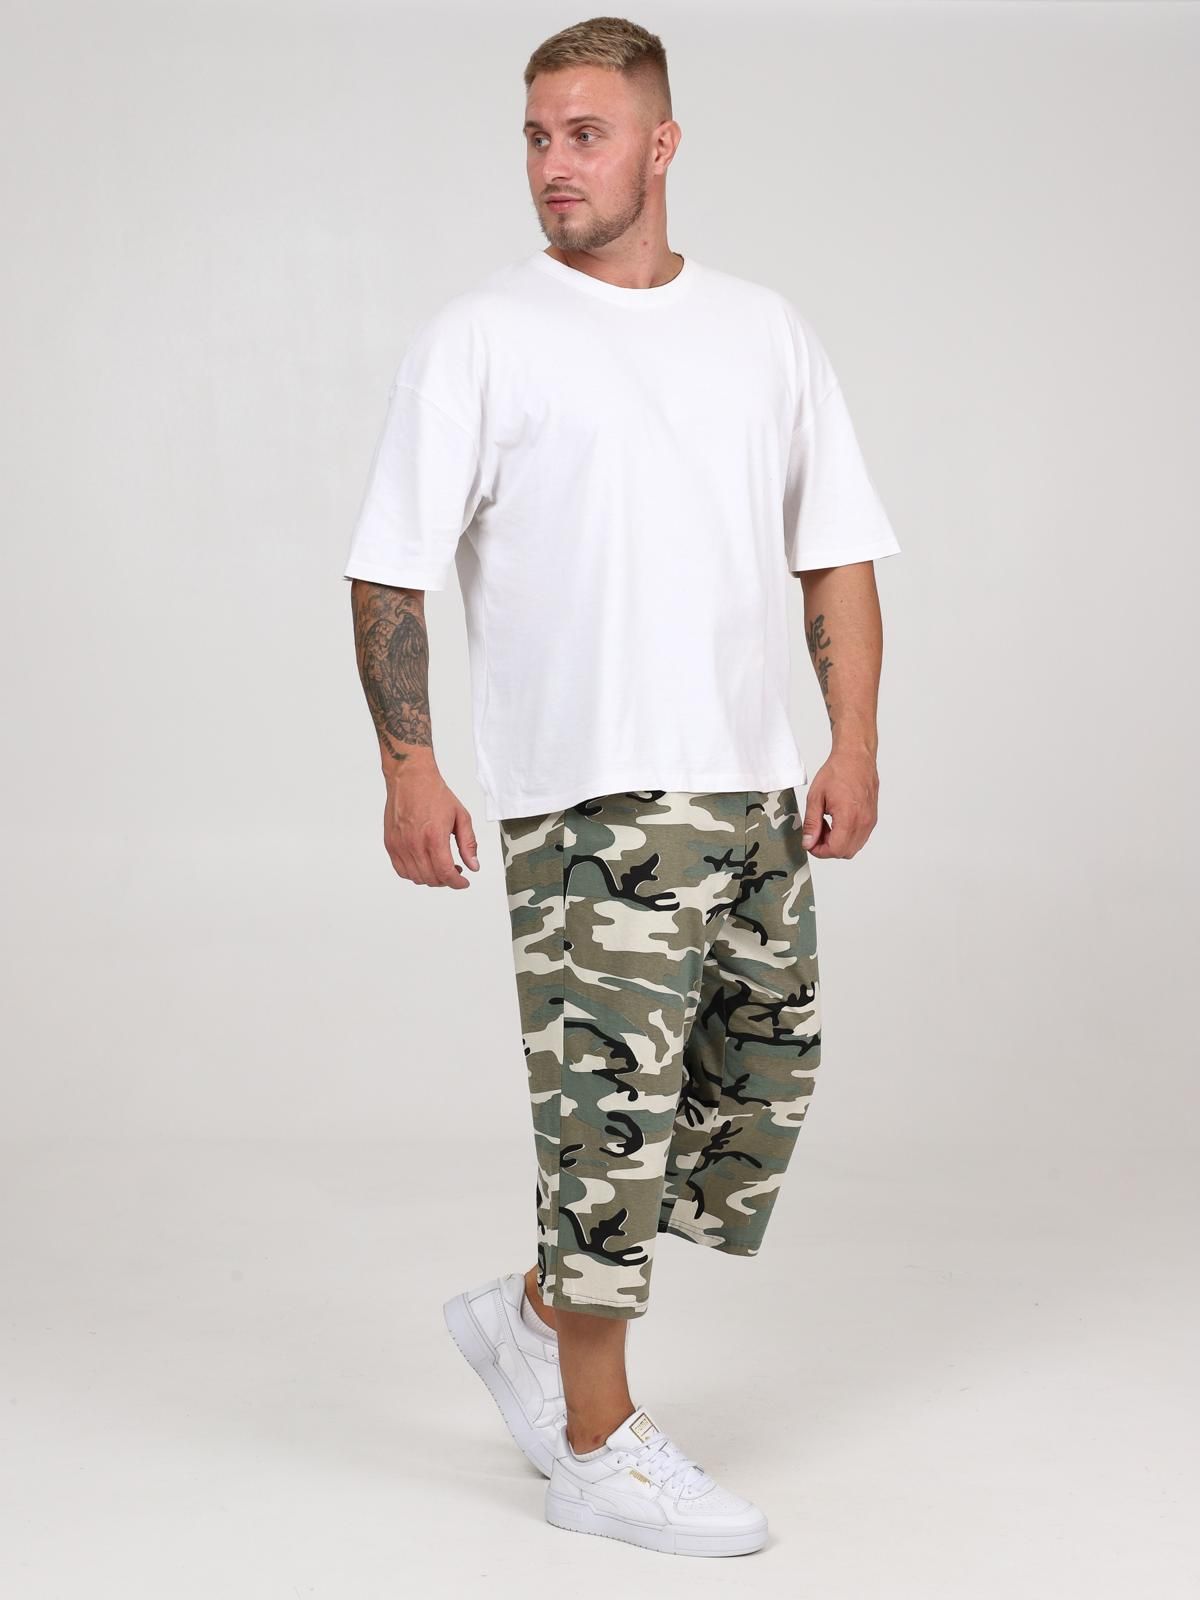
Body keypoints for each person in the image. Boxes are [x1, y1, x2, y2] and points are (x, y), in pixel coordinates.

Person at [343, 16, 901, 1559]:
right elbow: (389, 567)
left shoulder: (764, 331)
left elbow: (834, 548)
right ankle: (596, 1446)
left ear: (661, 145)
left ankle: (532, 1315)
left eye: (584, 135)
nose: (553, 165)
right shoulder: (482, 335)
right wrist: (409, 766)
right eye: (536, 136)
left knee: (754, 1095)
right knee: (608, 1126)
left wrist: (851, 741)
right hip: (587, 797)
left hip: (752, 785)